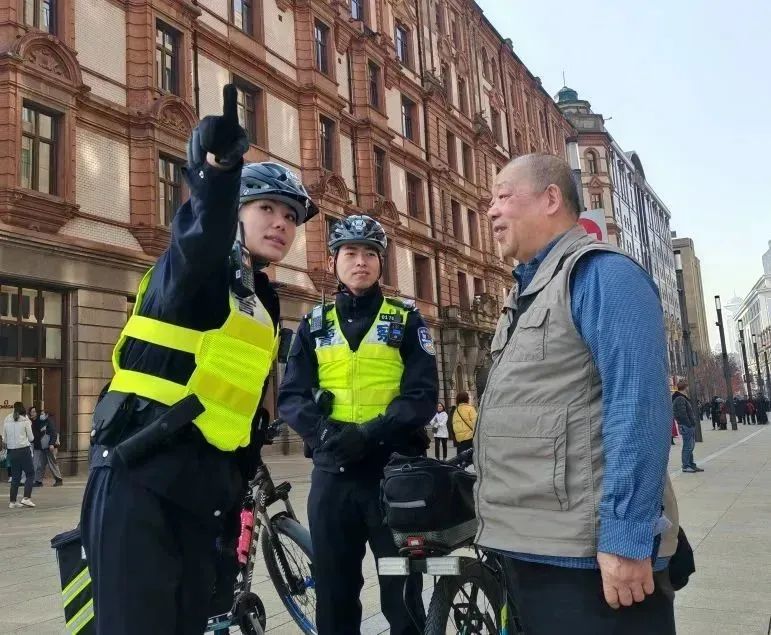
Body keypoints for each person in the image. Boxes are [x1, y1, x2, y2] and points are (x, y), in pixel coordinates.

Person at [79, 84, 318, 635]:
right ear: (236, 210)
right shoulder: (196, 271)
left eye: (290, 216)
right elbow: (201, 237)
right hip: (142, 478)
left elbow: (233, 396)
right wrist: (217, 174)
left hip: (206, 491)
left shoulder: (260, 297)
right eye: (265, 209)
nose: (281, 223)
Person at [474, 154, 678, 634]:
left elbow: (639, 406)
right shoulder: (523, 293)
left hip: (589, 562)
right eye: (490, 199)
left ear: (550, 199)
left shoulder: (602, 274)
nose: (491, 210)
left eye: (504, 195)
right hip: (535, 550)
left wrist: (628, 538)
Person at [278, 214, 438, 635]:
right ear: (334, 260)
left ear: (382, 263)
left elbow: (422, 397)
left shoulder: (406, 320)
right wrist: (325, 433)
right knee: (334, 592)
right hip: (333, 479)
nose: (360, 261)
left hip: (393, 477)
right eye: (350, 252)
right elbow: (291, 396)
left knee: (401, 591)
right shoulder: (313, 324)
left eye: (370, 253)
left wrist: (369, 433)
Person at [2, 402, 36, 508]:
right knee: (30, 474)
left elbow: (5, 439)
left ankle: (12, 502)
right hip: (24, 450)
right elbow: (31, 438)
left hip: (12, 451)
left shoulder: (7, 419)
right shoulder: (25, 420)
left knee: (15, 476)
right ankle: (26, 498)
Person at [673, 380, 703, 473]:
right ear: (685, 387)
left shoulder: (681, 397)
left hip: (686, 425)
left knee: (690, 445)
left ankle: (691, 464)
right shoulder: (680, 398)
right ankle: (686, 465)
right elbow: (682, 413)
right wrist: (689, 424)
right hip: (686, 425)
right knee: (688, 446)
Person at [29, 405, 63, 487]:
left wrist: (51, 444)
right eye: (31, 412)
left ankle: (58, 479)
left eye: (34, 412)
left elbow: (53, 433)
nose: (33, 413)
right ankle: (38, 481)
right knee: (40, 465)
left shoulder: (47, 421)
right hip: (41, 447)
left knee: (52, 463)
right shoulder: (33, 422)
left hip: (48, 446)